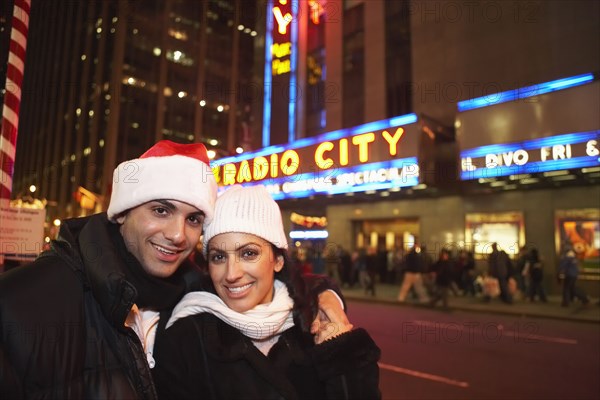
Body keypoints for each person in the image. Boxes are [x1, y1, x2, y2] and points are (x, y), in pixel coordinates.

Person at [0, 140, 350, 399]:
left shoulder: (194, 291)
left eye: (194, 218)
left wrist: (327, 296)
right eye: (161, 210)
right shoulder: (20, 303)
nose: (178, 235)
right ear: (123, 211)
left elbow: (275, 284)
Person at [152, 185, 381, 399]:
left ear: (278, 260)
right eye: (219, 257)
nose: (231, 273)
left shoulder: (314, 323)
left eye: (249, 254)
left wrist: (340, 351)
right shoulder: (185, 340)